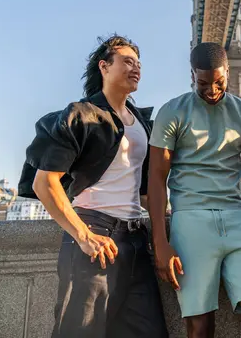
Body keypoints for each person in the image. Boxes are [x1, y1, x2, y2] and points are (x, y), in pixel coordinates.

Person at [18, 35, 168, 338]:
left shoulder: (142, 123)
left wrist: (163, 238)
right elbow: (45, 182)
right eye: (127, 61)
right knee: (81, 331)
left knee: (149, 330)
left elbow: (147, 190)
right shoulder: (81, 115)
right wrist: (83, 235)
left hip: (136, 239)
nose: (136, 68)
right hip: (94, 229)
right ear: (104, 66)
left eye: (138, 63)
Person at [147, 42, 241, 338]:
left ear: (228, 72)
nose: (211, 90)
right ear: (192, 75)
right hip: (190, 223)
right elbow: (157, 179)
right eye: (203, 83)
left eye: (219, 82)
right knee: (200, 327)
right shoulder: (171, 112)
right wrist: (160, 241)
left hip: (239, 219)